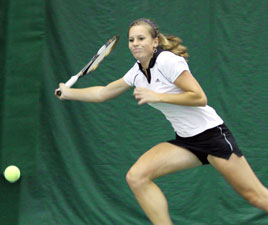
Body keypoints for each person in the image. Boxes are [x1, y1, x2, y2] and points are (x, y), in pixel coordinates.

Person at [55, 18, 268, 225]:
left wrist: (158, 96)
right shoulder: (137, 71)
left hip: (213, 137)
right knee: (137, 177)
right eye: (131, 40)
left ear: (154, 42)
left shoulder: (168, 61)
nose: (135, 44)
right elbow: (103, 93)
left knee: (256, 197)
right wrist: (69, 93)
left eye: (141, 38)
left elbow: (199, 97)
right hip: (187, 141)